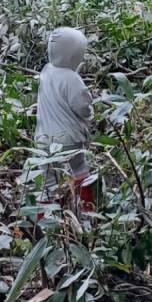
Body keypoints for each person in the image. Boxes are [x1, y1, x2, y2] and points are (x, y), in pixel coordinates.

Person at [35, 26, 95, 208]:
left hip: (43, 138)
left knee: (48, 181)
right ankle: (86, 209)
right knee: (79, 169)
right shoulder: (71, 78)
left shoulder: (46, 71)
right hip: (68, 139)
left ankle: (47, 221)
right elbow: (82, 106)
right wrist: (90, 113)